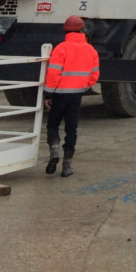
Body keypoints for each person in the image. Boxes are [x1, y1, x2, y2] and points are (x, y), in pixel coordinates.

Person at [44, 15, 100, 177]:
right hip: (77, 95)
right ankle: (67, 166)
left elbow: (54, 73)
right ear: (82, 30)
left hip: (59, 95)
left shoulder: (61, 48)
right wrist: (84, 86)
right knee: (72, 129)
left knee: (53, 124)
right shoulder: (91, 50)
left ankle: (54, 151)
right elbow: (94, 75)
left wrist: (48, 93)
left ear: (66, 31)